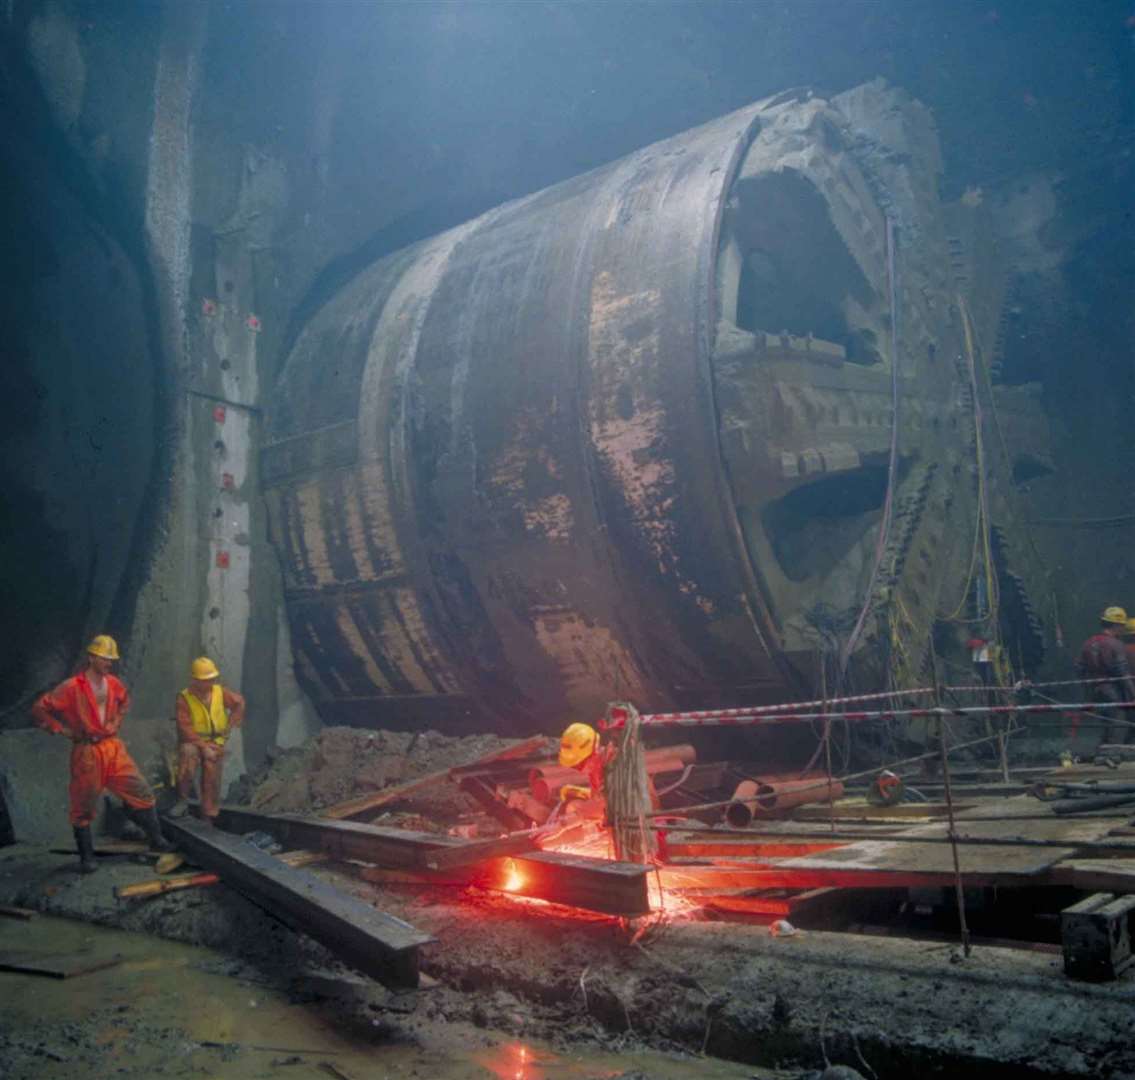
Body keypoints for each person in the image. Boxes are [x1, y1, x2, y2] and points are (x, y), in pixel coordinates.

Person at [32, 635, 172, 873]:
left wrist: (116, 720)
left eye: (112, 658)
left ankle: (156, 839)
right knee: (83, 806)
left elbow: (124, 702)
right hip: (87, 752)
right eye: (105, 658)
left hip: (112, 747)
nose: (110, 662)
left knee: (141, 792)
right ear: (92, 657)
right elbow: (39, 709)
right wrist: (60, 729)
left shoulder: (115, 684)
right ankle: (87, 858)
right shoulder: (71, 687)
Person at [169, 657, 245, 823]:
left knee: (212, 773)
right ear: (195, 680)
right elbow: (185, 727)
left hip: (216, 740)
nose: (210, 683)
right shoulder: (184, 698)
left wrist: (230, 726)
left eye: (211, 679)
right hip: (193, 740)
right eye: (205, 680)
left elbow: (239, 703)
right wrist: (203, 747)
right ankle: (183, 800)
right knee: (187, 756)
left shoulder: (219, 692)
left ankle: (208, 813)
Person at [1075, 606, 1135, 748]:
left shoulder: (1088, 643)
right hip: (1113, 692)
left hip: (1095, 691)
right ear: (1116, 625)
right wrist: (1133, 694)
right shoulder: (1116, 644)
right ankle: (1111, 756)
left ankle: (1103, 753)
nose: (1122, 629)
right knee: (1117, 727)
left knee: (1105, 726)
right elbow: (1123, 673)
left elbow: (1079, 668)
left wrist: (1087, 689)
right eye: (1121, 625)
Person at [556, 722, 614, 818]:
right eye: (574, 766)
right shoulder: (596, 768)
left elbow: (611, 803)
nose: (580, 770)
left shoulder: (616, 764)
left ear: (594, 752)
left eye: (580, 765)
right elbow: (601, 795)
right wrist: (581, 792)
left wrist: (577, 815)